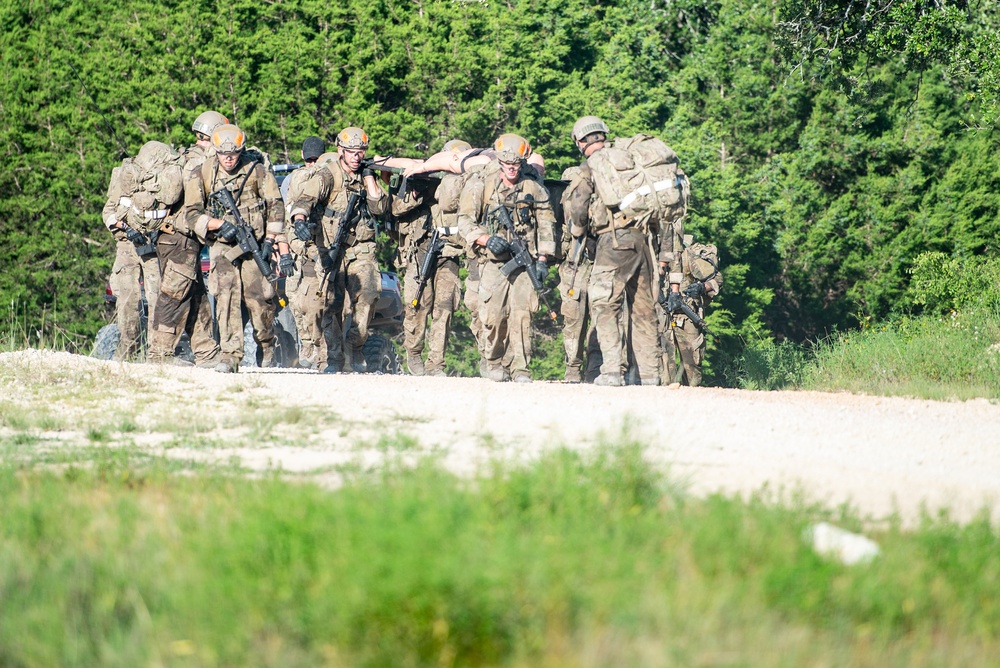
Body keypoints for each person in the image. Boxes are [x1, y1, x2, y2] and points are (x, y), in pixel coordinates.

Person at [564, 116, 686, 386]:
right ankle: (648, 374)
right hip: (644, 240)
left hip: (615, 241)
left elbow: (579, 206)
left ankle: (611, 371)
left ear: (581, 141)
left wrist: (579, 233)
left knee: (604, 302)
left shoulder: (593, 165)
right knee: (643, 307)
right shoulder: (628, 159)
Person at [184, 123, 290, 372]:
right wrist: (216, 224)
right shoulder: (204, 173)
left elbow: (275, 205)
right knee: (226, 296)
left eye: (233, 154)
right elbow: (191, 214)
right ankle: (230, 355)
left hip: (255, 246)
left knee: (260, 301)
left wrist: (271, 240)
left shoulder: (257, 171)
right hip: (223, 246)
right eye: (223, 154)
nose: (228, 159)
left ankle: (266, 345)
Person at [285, 126, 388, 373]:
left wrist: (370, 177)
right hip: (331, 248)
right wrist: (299, 220)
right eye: (351, 151)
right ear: (340, 150)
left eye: (361, 151)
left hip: (361, 247)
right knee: (331, 304)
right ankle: (333, 358)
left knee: (369, 294)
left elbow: (380, 208)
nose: (356, 156)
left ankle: (353, 345)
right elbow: (304, 200)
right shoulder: (327, 174)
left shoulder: (367, 174)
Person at [457, 133, 556, 382]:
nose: (512, 170)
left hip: (526, 262)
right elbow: (465, 221)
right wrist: (486, 239)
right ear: (499, 162)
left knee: (522, 314)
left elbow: (546, 224)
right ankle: (493, 361)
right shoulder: (482, 184)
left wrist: (543, 259)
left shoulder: (533, 187)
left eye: (516, 165)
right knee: (493, 316)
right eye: (507, 165)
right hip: (493, 261)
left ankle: (521, 367)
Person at [146, 111, 228, 367]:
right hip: (178, 238)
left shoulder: (187, 157)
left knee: (196, 295)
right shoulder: (198, 162)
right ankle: (159, 355)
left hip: (183, 240)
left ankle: (206, 353)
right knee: (174, 295)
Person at [101, 141, 183, 361]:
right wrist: (126, 229)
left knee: (158, 299)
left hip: (155, 247)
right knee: (127, 299)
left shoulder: (170, 182)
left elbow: (180, 214)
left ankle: (157, 352)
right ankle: (128, 351)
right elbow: (108, 212)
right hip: (127, 246)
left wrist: (164, 230)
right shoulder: (125, 178)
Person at [394, 142, 465, 377]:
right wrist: (416, 193)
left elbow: (468, 225)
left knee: (444, 307)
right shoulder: (425, 178)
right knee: (419, 304)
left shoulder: (469, 188)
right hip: (421, 251)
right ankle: (414, 353)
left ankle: (437, 362)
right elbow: (395, 209)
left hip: (449, 253)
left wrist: (449, 233)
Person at [557, 165, 601, 383]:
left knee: (600, 319)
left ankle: (595, 370)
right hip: (572, 267)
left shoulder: (597, 204)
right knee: (574, 320)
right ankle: (573, 369)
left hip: (597, 264)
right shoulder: (562, 206)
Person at [660, 235, 722, 387]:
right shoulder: (651, 252)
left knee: (692, 370)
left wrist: (702, 287)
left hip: (686, 317)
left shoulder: (688, 254)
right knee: (664, 370)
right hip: (661, 316)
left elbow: (717, 279)